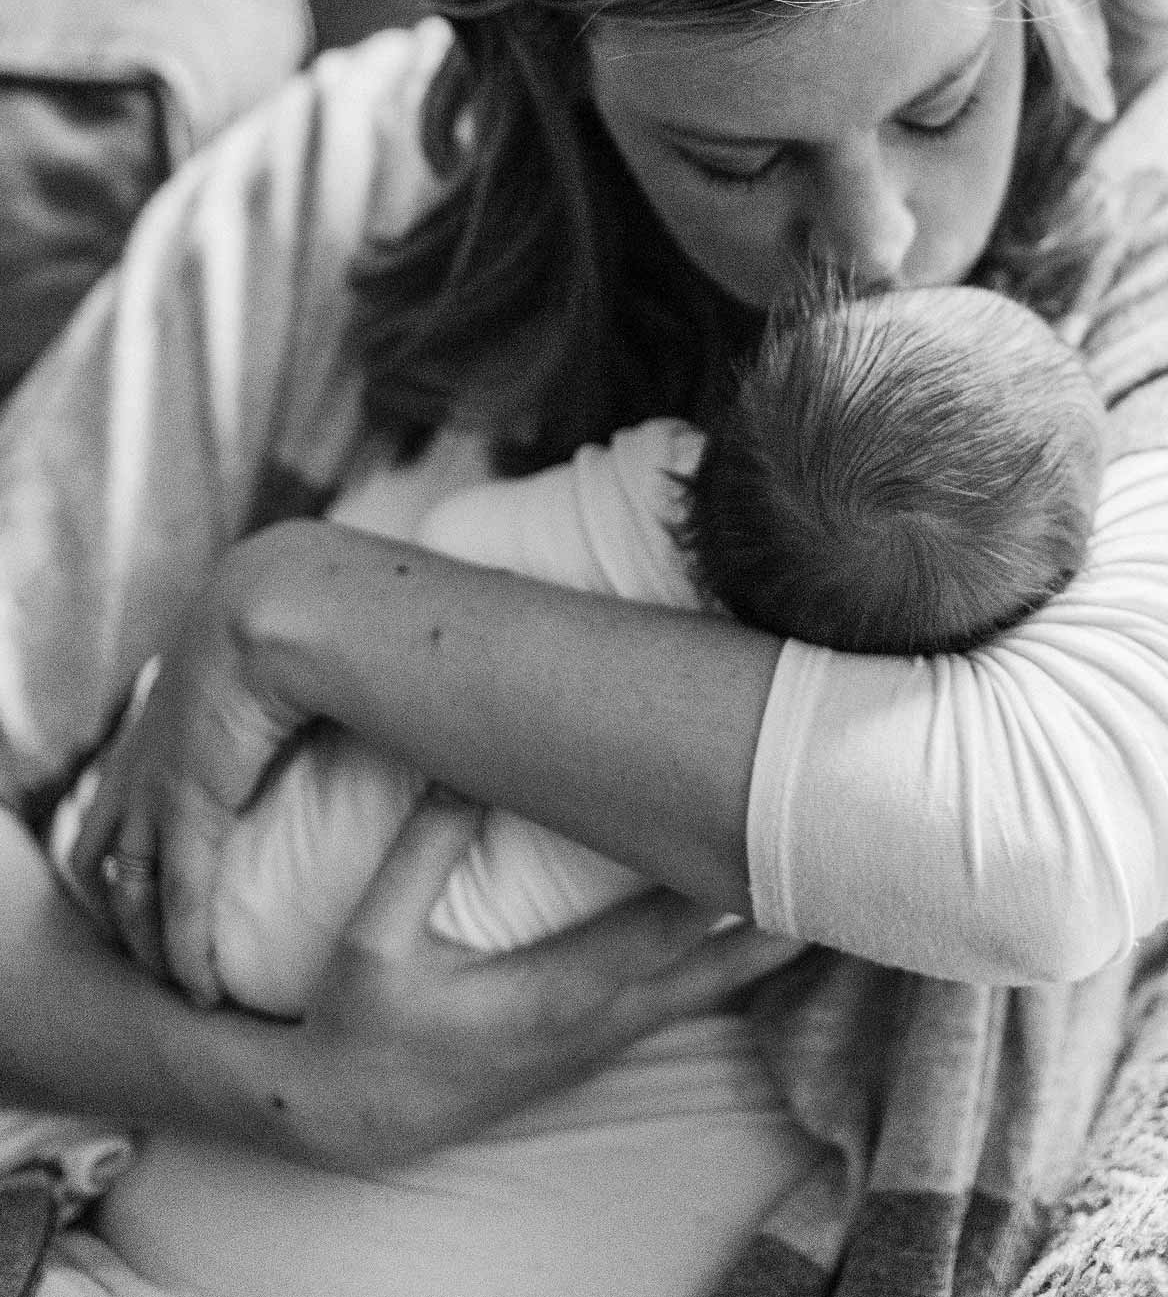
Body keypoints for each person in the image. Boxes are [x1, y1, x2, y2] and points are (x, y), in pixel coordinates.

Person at [0, 0, 1168, 1297]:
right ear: (557, 84)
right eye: (738, 158)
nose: (873, 243)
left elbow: (1046, 844)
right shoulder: (342, 178)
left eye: (944, 102)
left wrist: (305, 610)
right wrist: (299, 1093)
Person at [51, 283, 1103, 1018]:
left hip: (207, 889)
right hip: (318, 962)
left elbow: (450, 548)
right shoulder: (846, 735)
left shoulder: (640, 483)